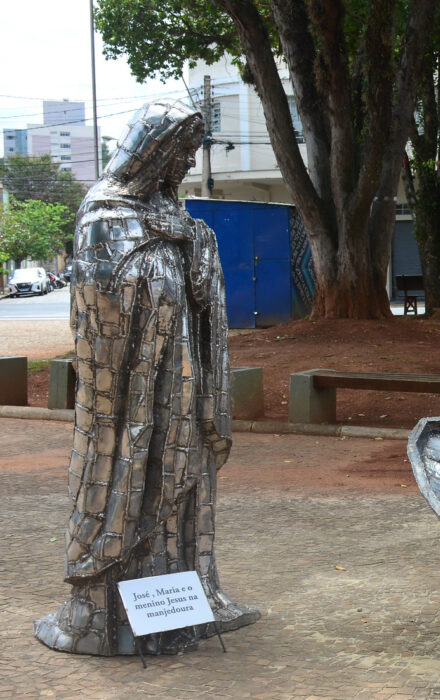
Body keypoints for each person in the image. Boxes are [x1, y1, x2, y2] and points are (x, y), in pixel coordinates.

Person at [34, 99, 258, 656]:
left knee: (184, 481)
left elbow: (201, 296)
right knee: (133, 479)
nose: (185, 162)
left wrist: (191, 242)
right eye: (178, 149)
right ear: (150, 148)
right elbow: (98, 307)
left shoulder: (173, 216)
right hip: (129, 399)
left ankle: (184, 599)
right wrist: (159, 249)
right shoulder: (103, 213)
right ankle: (105, 611)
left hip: (178, 388)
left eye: (191, 151)